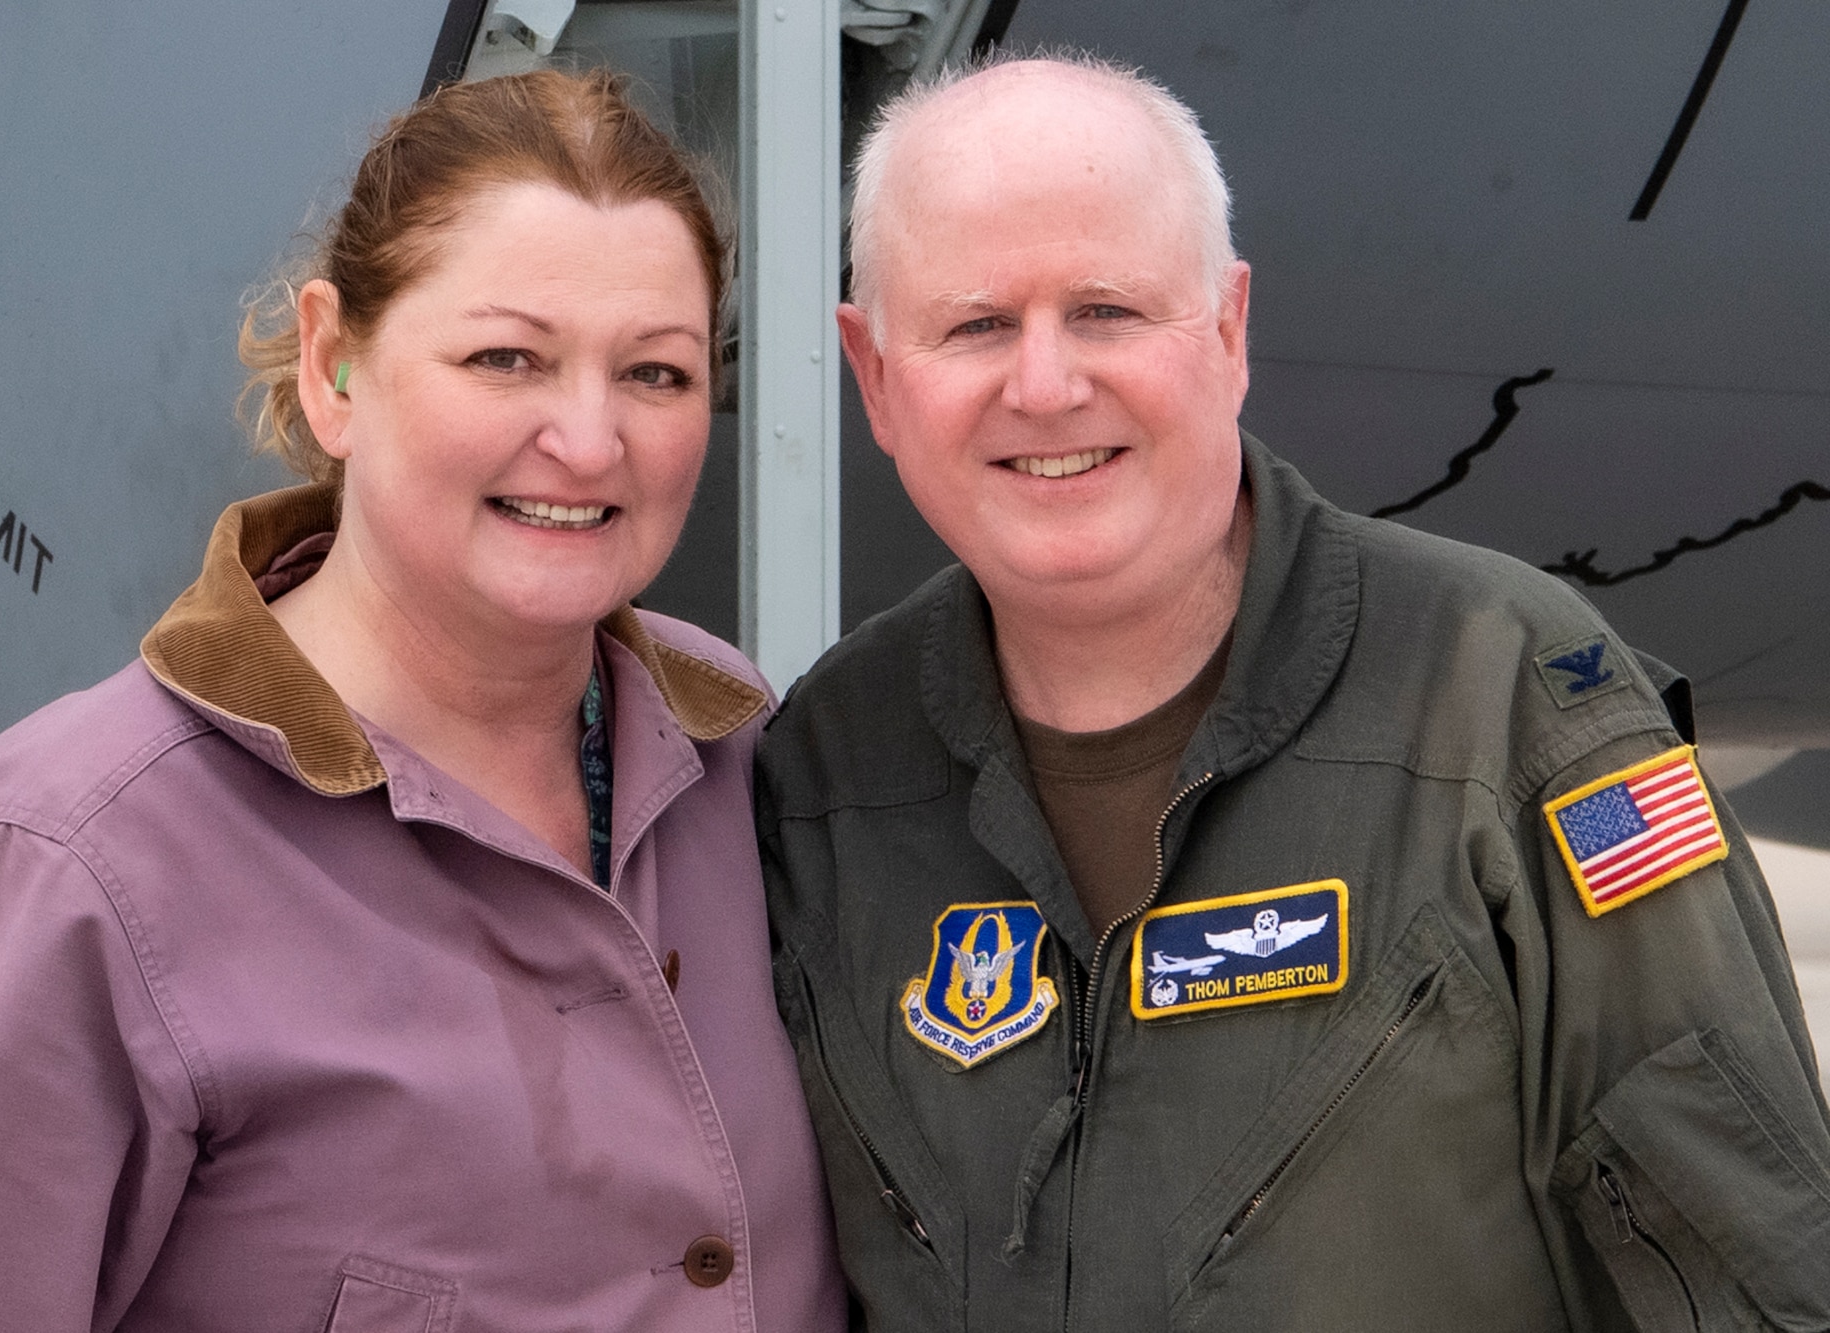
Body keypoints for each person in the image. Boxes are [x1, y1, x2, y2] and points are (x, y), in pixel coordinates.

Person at [756, 53, 1830, 1330]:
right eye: (976, 324)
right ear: (874, 375)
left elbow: (1754, 1273)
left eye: (1105, 310)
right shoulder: (823, 772)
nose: (1043, 385)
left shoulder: (1507, 699)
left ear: (1225, 329)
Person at [0, 69, 843, 1331]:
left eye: (655, 374)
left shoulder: (750, 751)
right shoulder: (57, 874)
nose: (590, 441)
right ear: (332, 366)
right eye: (505, 357)